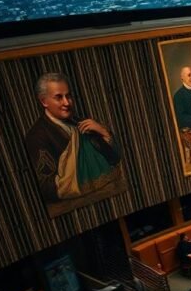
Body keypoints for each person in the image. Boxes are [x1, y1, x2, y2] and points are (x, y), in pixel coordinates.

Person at [24, 72, 123, 214]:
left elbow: (114, 158)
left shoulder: (79, 122)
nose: (66, 102)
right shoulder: (37, 136)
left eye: (68, 96)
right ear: (44, 101)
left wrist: (103, 132)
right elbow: (45, 187)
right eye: (59, 97)